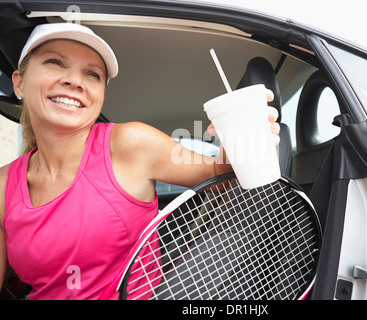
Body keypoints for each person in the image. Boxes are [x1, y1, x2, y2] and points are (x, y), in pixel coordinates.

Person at [0, 23, 280, 299]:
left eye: (92, 74)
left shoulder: (130, 143)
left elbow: (219, 173)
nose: (75, 80)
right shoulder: (3, 185)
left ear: (101, 96)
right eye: (55, 63)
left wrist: (247, 138)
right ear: (19, 83)